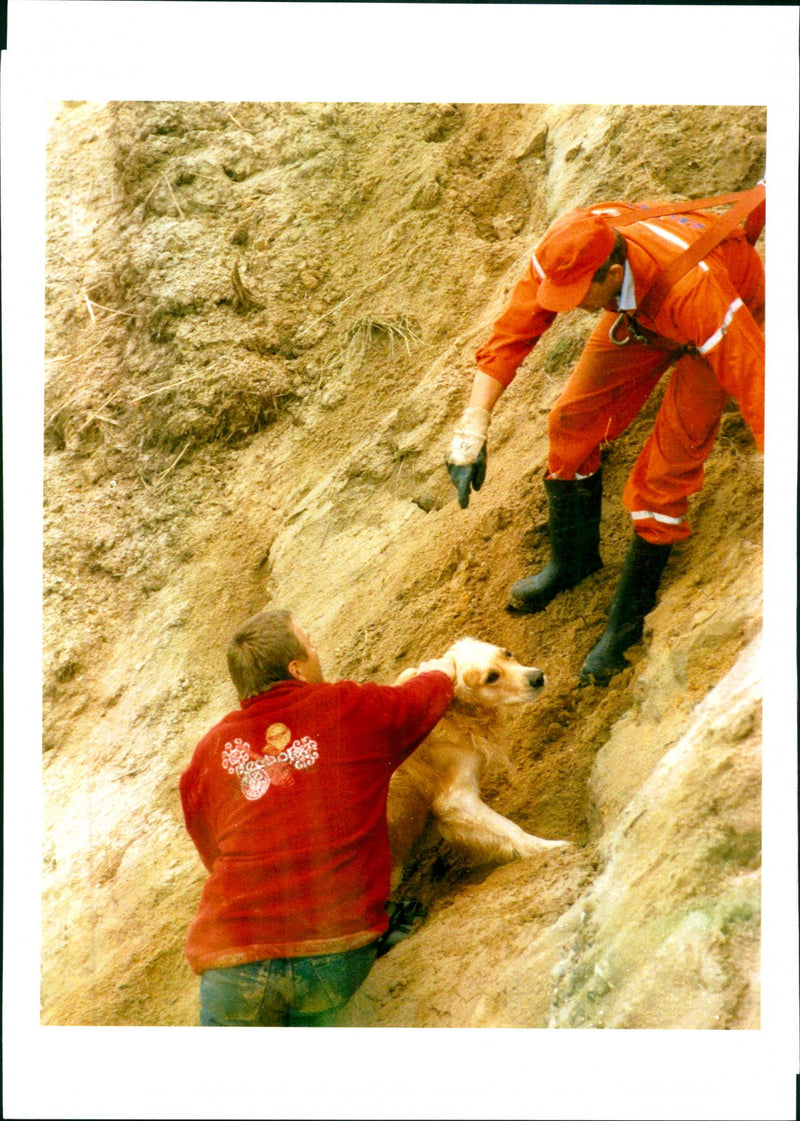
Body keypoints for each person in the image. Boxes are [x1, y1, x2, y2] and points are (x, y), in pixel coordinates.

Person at [446, 189, 765, 686]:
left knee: (665, 474)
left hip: (718, 319)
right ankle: (573, 562)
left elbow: (758, 387)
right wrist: (473, 427)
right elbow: (512, 334)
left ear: (612, 275)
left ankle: (627, 624)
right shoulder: (568, 246)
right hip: (644, 314)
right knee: (572, 421)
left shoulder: (698, 293)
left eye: (578, 296)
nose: (569, 307)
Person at [179, 608, 455, 1026]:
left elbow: (210, 849)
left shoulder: (209, 752)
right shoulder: (345, 706)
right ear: (297, 669)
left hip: (231, 960)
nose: (316, 649)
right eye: (310, 643)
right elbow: (415, 704)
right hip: (332, 954)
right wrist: (443, 672)